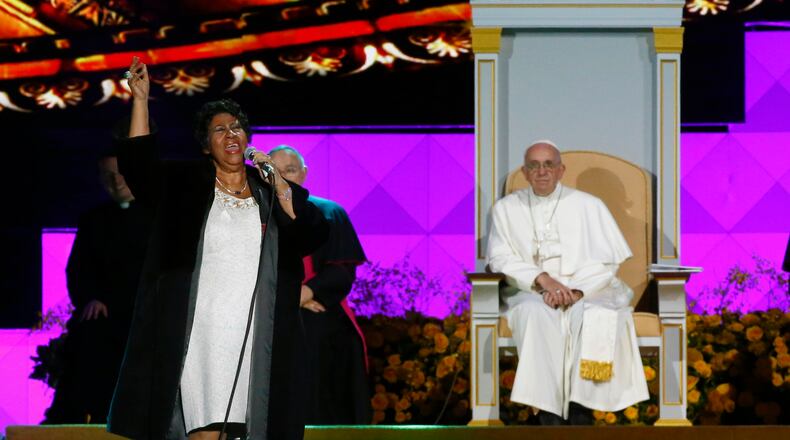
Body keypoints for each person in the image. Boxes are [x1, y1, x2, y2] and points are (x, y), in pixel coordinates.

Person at [107, 57, 328, 440]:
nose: (231, 134)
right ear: (206, 145)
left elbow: (313, 233)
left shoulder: (269, 192)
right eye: (219, 129)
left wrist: (280, 188)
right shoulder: (186, 187)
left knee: (248, 425)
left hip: (256, 331)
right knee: (205, 430)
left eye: (237, 127)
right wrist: (140, 100)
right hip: (200, 330)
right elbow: (140, 168)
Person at [486, 140, 649, 425]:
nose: (542, 171)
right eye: (534, 165)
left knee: (588, 316)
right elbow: (499, 259)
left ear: (561, 170)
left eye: (549, 164)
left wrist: (575, 291)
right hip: (530, 291)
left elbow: (607, 262)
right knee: (536, 315)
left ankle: (580, 409)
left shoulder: (589, 205)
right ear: (525, 172)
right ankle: (548, 414)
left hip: (586, 290)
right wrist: (541, 280)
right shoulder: (506, 209)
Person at [43, 155, 150, 424]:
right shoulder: (93, 220)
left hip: (148, 313)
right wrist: (90, 297)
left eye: (121, 173)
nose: (116, 181)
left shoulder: (157, 216)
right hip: (105, 314)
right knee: (90, 342)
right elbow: (78, 269)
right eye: (108, 176)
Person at [269, 145, 371, 425]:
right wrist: (285, 298)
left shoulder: (329, 212)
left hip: (316, 308)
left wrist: (303, 294)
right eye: (274, 171)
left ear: (303, 173)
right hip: (267, 309)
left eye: (289, 170)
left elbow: (341, 272)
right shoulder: (256, 215)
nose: (283, 177)